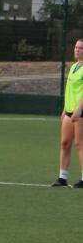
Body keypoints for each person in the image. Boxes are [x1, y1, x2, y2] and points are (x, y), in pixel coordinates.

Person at [53, 38, 83, 188]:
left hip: (80, 111)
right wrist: (66, 109)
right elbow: (69, 90)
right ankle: (62, 178)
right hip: (70, 110)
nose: (77, 50)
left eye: (81, 48)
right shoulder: (73, 67)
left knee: (80, 144)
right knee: (65, 143)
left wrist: (79, 109)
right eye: (76, 47)